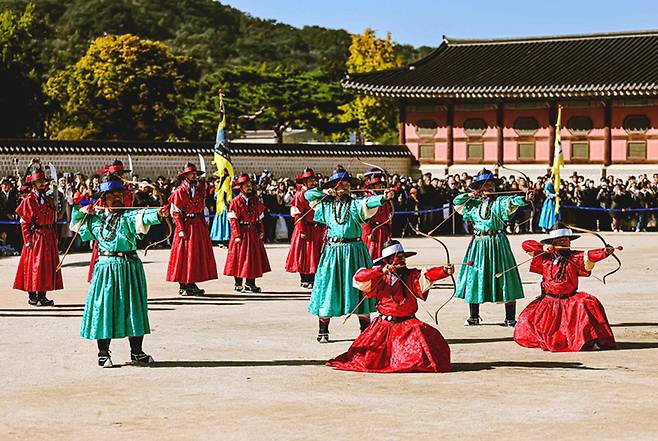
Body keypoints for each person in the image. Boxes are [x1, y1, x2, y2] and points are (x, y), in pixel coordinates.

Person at [70, 174, 168, 367]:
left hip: (128, 266)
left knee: (134, 308)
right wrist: (83, 210)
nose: (116, 198)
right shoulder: (95, 219)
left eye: (119, 195)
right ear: (103, 199)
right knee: (104, 307)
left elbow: (144, 216)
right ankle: (103, 353)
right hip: (105, 268)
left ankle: (137, 352)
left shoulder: (129, 216)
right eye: (111, 195)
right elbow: (75, 221)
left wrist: (160, 214)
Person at [327, 240, 453, 373]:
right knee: (367, 359)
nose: (402, 261)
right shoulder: (378, 277)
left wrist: (444, 271)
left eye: (403, 258)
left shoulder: (411, 275)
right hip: (383, 325)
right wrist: (381, 271)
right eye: (397, 258)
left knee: (423, 354)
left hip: (409, 324)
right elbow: (359, 277)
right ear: (387, 261)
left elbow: (428, 275)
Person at [306, 166, 395, 343]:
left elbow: (369, 203)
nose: (345, 187)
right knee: (328, 288)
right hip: (332, 252)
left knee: (361, 289)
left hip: (355, 251)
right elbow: (308, 196)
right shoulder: (325, 204)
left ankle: (365, 331)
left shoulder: (355, 204)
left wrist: (383, 198)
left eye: (347, 184)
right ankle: (323, 330)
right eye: (340, 185)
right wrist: (324, 191)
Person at [513, 224, 617, 351]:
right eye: (561, 240)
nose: (565, 242)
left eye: (567, 240)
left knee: (589, 303)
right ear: (553, 242)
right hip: (548, 302)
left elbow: (591, 255)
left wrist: (605, 252)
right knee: (526, 324)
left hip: (570, 300)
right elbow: (526, 244)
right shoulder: (543, 256)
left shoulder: (575, 257)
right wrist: (543, 247)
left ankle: (591, 339)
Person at [453, 169, 532, 327]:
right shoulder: (472, 204)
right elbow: (457, 201)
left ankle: (510, 318)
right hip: (478, 243)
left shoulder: (500, 202)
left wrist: (525, 198)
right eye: (484, 185)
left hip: (497, 242)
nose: (489, 188)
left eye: (491, 185)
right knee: (474, 276)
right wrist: (470, 195)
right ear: (479, 188)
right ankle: (473, 317)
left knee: (504, 276)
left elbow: (515, 200)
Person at [13, 166, 63, 306]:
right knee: (34, 266)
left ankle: (42, 295)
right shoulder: (29, 200)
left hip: (48, 236)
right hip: (35, 236)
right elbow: (24, 223)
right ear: (34, 183)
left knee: (46, 266)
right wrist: (27, 240)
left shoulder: (48, 200)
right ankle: (32, 295)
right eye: (40, 181)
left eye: (44, 181)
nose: (43, 184)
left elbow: (53, 219)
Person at [166, 163, 218, 296]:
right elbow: (176, 212)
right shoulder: (179, 191)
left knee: (195, 254)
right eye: (192, 173)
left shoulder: (199, 190)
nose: (195, 175)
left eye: (196, 174)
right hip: (186, 224)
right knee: (184, 254)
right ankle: (183, 284)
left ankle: (191, 281)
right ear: (185, 176)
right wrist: (180, 228)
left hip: (197, 224)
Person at [224, 174, 271, 292]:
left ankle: (250, 283)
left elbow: (260, 217)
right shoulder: (235, 201)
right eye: (247, 186)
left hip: (253, 231)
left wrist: (261, 230)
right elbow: (233, 220)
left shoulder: (256, 200)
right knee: (238, 258)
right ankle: (238, 283)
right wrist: (237, 235)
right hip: (241, 231)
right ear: (241, 188)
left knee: (253, 258)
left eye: (250, 185)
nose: (249, 188)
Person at [285, 168, 325, 289]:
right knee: (303, 254)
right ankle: (304, 278)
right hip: (305, 228)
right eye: (310, 181)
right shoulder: (299, 195)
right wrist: (301, 230)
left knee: (315, 254)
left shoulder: (318, 195)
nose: (313, 183)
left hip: (317, 228)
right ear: (305, 183)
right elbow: (297, 214)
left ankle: (313, 278)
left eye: (314, 180)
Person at [361, 169, 393, 260]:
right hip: (373, 230)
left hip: (383, 230)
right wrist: (368, 231)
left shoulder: (384, 198)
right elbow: (365, 217)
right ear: (372, 186)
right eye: (378, 185)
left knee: (384, 254)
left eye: (381, 185)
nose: (380, 186)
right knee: (372, 254)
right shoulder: (369, 199)